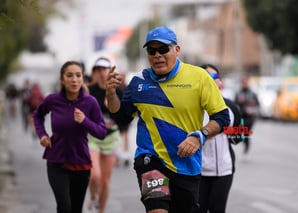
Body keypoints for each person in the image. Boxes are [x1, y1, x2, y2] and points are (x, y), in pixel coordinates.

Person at [105, 26, 230, 213]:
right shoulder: (139, 81)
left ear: (176, 50)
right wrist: (111, 94)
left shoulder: (199, 78)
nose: (157, 55)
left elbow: (222, 117)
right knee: (157, 209)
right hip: (150, 160)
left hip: (186, 165)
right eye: (152, 51)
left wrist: (199, 136)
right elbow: (121, 117)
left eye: (163, 49)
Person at [32, 61, 108, 213]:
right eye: (69, 75)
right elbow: (37, 115)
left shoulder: (90, 102)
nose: (74, 80)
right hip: (56, 161)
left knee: (75, 209)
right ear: (62, 79)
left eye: (78, 75)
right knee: (64, 207)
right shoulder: (53, 100)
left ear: (82, 78)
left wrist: (85, 121)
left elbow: (101, 132)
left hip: (81, 162)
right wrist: (42, 135)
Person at [196, 64, 242, 213]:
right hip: (198, 171)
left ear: (220, 82)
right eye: (205, 76)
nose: (209, 79)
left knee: (218, 209)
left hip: (223, 170)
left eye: (213, 77)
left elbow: (238, 136)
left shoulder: (231, 107)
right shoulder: (192, 107)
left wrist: (228, 131)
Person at [87, 57, 121, 213]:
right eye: (98, 70)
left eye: (105, 69)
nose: (102, 73)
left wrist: (116, 118)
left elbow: (126, 114)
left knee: (105, 182)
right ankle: (93, 195)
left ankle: (101, 210)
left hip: (111, 138)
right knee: (94, 176)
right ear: (94, 72)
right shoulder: (89, 90)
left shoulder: (118, 89)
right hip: (93, 136)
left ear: (110, 71)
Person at [234, 75, 259, 154]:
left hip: (250, 117)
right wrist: (239, 102)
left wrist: (253, 109)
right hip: (241, 116)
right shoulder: (238, 93)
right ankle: (245, 142)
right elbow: (234, 105)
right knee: (242, 133)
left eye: (246, 82)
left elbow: (257, 105)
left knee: (246, 132)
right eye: (243, 82)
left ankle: (247, 145)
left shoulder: (252, 94)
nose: (244, 84)